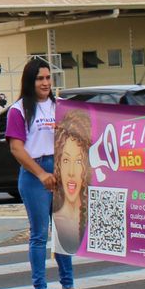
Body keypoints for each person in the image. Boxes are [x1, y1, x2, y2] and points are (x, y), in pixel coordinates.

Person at [6, 58, 88, 289]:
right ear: (30, 81)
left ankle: (68, 286)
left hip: (63, 171)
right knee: (40, 234)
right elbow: (17, 149)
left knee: (65, 232)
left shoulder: (60, 107)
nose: (44, 83)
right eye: (39, 78)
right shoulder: (18, 110)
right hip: (34, 175)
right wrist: (42, 174)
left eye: (47, 78)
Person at [51, 109, 93, 269]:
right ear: (58, 163)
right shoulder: (57, 217)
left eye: (78, 161)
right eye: (66, 159)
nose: (70, 172)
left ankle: (68, 285)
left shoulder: (92, 215)